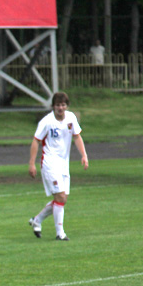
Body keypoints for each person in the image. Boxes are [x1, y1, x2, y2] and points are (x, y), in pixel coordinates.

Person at [27, 92, 88, 240]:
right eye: (57, 105)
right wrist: (31, 163)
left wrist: (84, 155)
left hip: (63, 164)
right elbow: (36, 141)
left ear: (66, 106)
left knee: (62, 200)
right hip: (49, 163)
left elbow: (77, 136)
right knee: (60, 197)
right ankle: (60, 234)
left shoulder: (71, 118)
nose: (60, 108)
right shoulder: (46, 122)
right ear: (53, 106)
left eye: (63, 105)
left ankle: (37, 220)